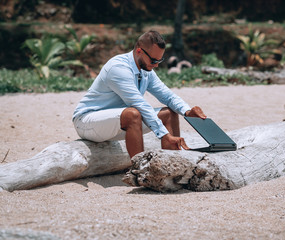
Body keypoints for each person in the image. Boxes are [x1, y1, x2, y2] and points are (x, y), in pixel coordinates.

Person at [72, 30, 206, 158]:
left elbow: (168, 96)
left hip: (116, 121)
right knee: (133, 113)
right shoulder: (118, 68)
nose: (156, 65)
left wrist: (187, 111)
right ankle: (139, 171)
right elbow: (139, 104)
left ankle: (173, 167)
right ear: (139, 51)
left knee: (169, 114)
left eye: (159, 61)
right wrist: (164, 135)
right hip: (87, 121)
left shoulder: (146, 70)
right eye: (153, 61)